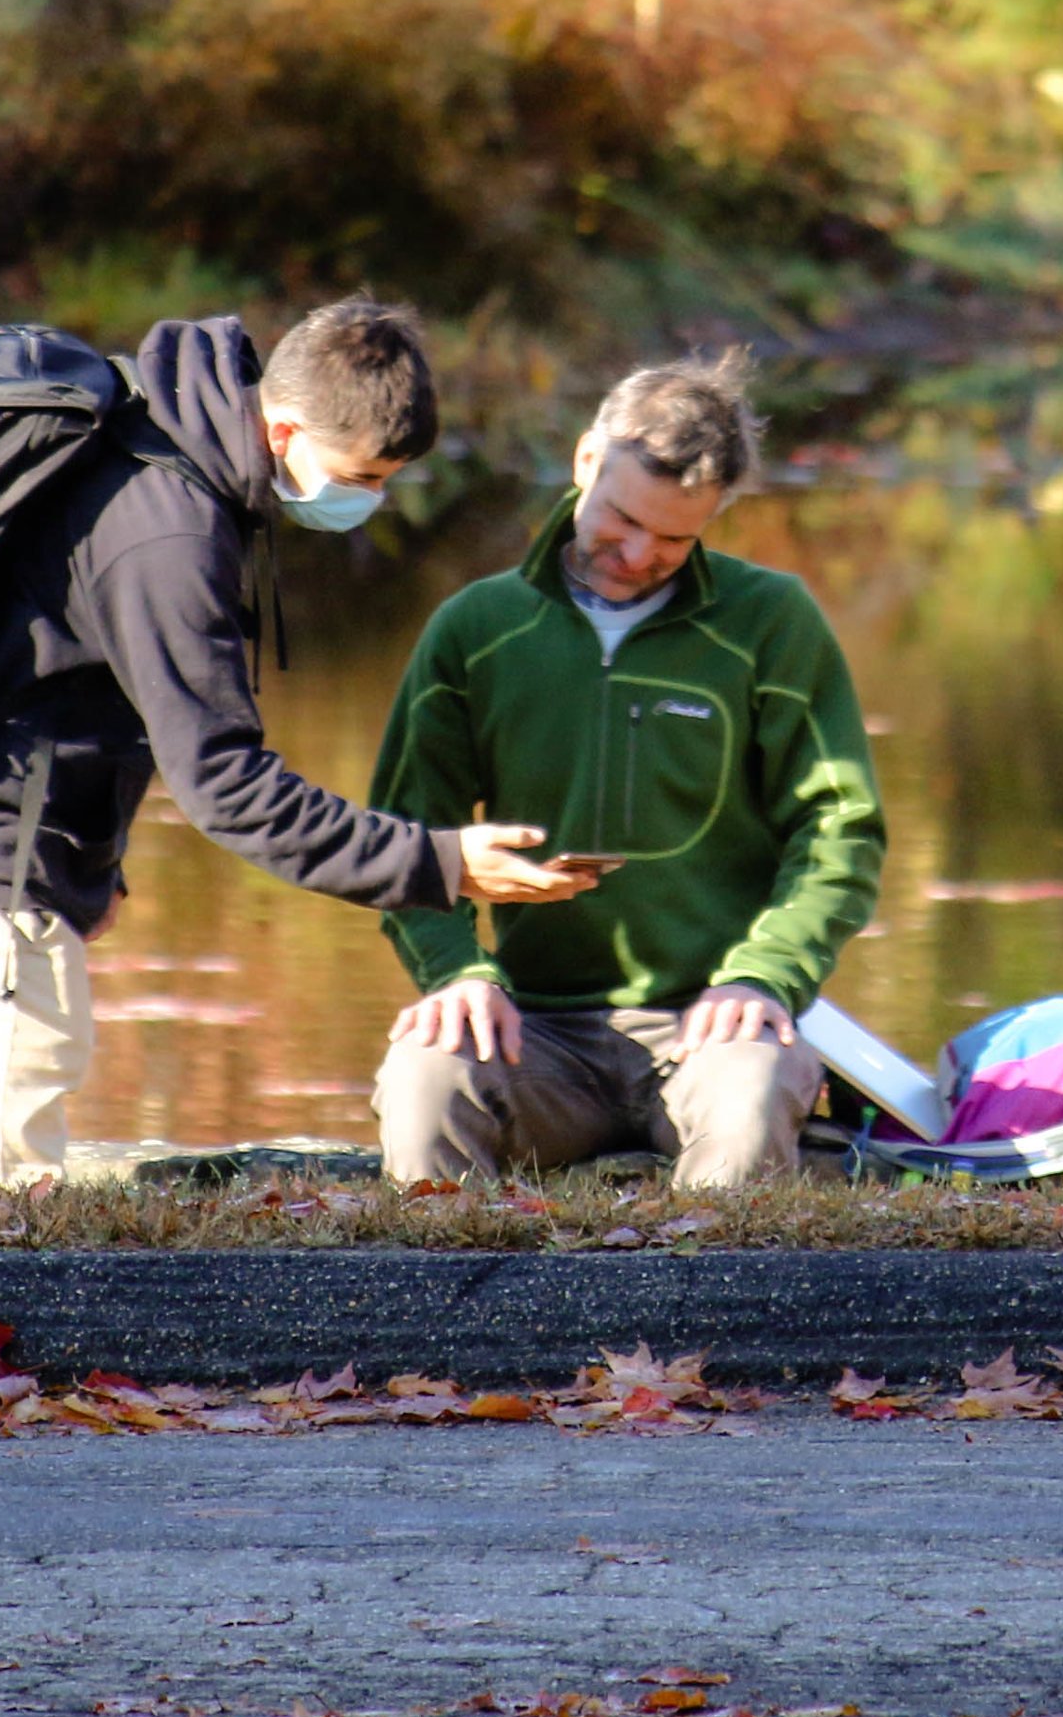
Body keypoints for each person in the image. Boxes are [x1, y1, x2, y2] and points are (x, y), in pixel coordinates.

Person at [0, 297, 596, 1180]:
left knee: (1, 1172)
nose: (372, 500)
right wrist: (443, 863)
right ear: (281, 429)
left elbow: (84, 678)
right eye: (359, 477)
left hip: (12, 852)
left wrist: (95, 858)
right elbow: (227, 787)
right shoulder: (168, 530)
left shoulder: (176, 440)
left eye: (387, 480)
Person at [366, 350, 885, 1189]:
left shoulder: (772, 622)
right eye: (620, 517)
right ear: (584, 462)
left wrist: (765, 974)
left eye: (675, 538)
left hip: (715, 1022)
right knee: (424, 1083)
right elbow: (403, 839)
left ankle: (715, 1317)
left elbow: (840, 835)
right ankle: (451, 1317)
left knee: (751, 1100)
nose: (639, 553)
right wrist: (456, 973)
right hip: (532, 1031)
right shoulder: (478, 627)